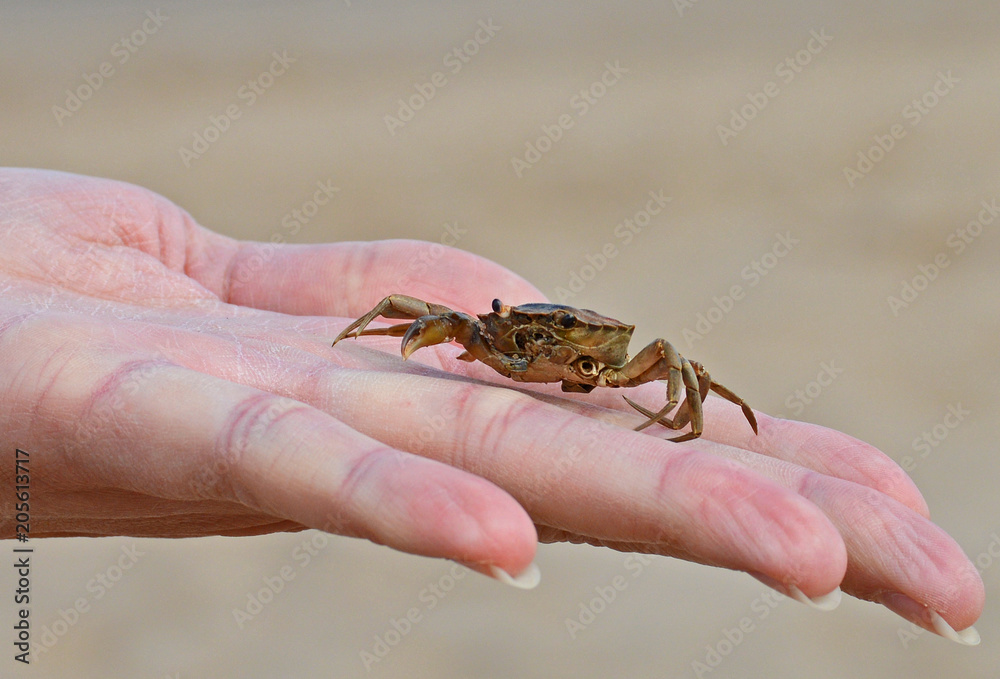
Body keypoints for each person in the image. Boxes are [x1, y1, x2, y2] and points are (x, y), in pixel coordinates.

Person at [0, 168, 982, 644]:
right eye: (523, 333)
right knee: (422, 315)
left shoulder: (615, 358)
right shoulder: (498, 331)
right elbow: (420, 314)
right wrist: (389, 337)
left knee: (687, 366)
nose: (529, 345)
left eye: (547, 341)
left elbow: (679, 367)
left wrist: (676, 414)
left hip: (610, 354)